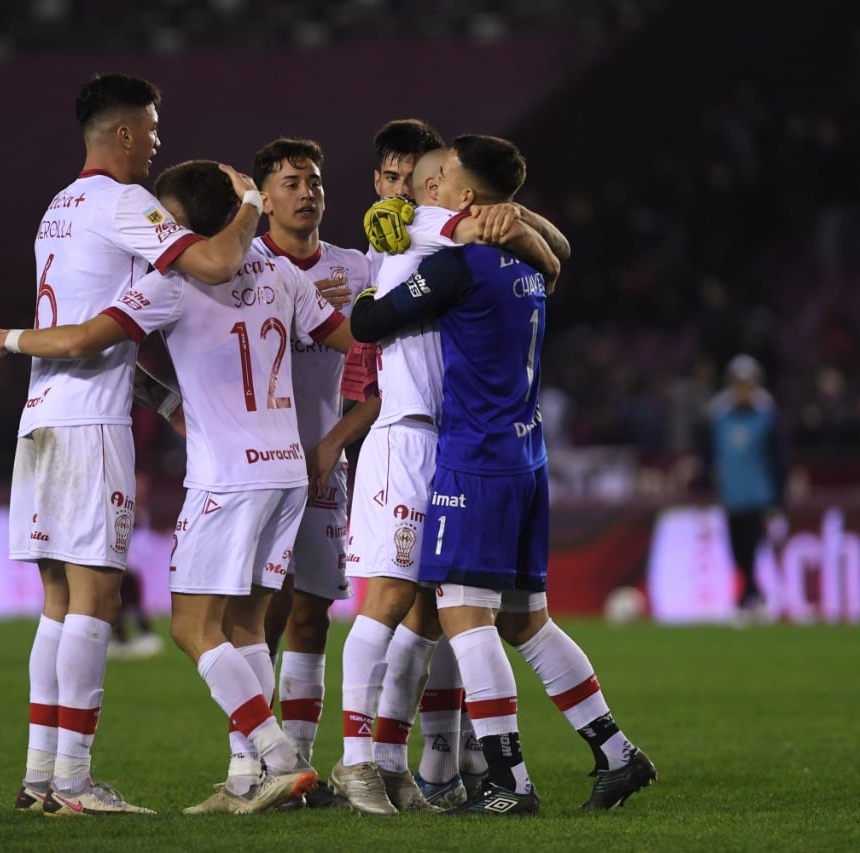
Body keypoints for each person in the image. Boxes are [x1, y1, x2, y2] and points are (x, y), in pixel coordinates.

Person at [0, 159, 356, 815]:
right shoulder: (286, 274)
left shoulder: (172, 283)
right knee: (247, 625)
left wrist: (7, 337)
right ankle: (246, 776)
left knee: (190, 627)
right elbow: (347, 337)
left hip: (226, 477)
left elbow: (83, 341)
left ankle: (278, 755)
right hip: (286, 472)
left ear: (181, 222)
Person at [350, 134, 656, 814]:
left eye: (446, 174)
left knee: (465, 618)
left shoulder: (459, 267)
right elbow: (551, 252)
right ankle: (617, 752)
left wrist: (394, 256)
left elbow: (370, 321)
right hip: (528, 456)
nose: (432, 185)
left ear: (465, 196)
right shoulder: (527, 266)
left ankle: (508, 779)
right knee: (527, 621)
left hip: (475, 460)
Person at [3, 72, 263, 817]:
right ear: (122, 133)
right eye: (151, 127)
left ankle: (41, 776)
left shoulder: (58, 209)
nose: (157, 140)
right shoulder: (125, 203)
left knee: (58, 602)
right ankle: (75, 782)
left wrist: (166, 399)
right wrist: (247, 206)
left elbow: (105, 330)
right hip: (90, 427)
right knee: (97, 599)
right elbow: (213, 264)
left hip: (43, 415)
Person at [331, 127, 563, 815]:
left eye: (417, 175)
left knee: (436, 617)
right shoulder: (414, 237)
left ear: (439, 181)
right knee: (389, 599)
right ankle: (357, 762)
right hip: (407, 437)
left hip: (456, 445)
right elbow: (367, 322)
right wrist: (506, 220)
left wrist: (513, 216)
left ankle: (406, 761)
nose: (404, 189)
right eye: (391, 176)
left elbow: (555, 254)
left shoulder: (450, 234)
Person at [239, 139, 372, 794]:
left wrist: (334, 442)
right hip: (256, 466)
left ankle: (300, 763)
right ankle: (253, 758)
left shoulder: (356, 267)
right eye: (290, 182)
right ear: (264, 199)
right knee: (260, 614)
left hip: (323, 463)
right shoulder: (239, 264)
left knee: (312, 614)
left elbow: (385, 372)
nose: (306, 191)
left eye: (314, 180)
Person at [706, 353, 786, 621]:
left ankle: (745, 599)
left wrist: (777, 499)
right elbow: (712, 456)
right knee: (737, 551)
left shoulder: (766, 419)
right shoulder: (720, 420)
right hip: (732, 496)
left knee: (751, 550)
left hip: (757, 495)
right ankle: (756, 596)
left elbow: (777, 459)